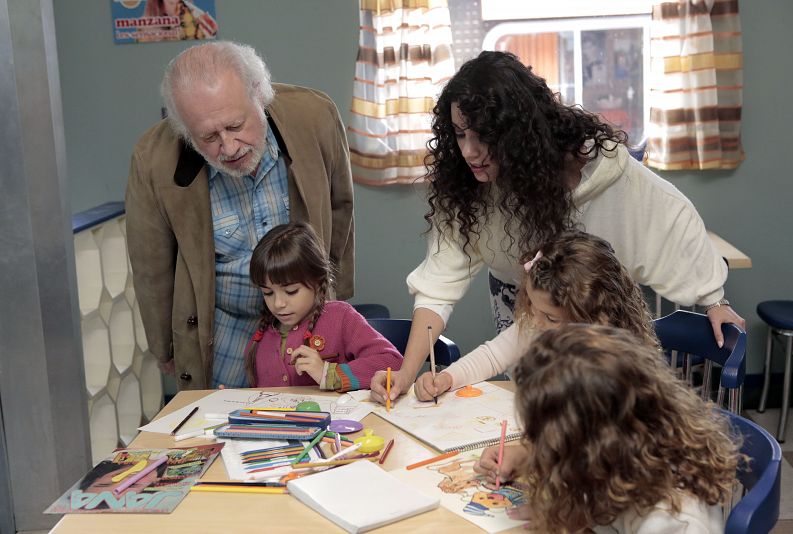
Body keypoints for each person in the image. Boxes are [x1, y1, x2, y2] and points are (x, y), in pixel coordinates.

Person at [371, 50, 744, 402]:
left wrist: (714, 298)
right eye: (459, 133)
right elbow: (449, 298)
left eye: (482, 134)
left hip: (594, 328)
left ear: (519, 134)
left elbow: (669, 216)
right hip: (527, 297)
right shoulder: (530, 307)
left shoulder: (610, 180)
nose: (468, 151)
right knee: (535, 394)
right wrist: (408, 373)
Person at [126, 41, 354, 390]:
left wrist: (335, 298)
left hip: (308, 316)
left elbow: (341, 207)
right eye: (208, 137)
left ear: (259, 96)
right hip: (223, 327)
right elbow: (150, 264)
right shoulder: (152, 159)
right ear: (185, 130)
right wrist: (165, 345)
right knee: (222, 434)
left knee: (314, 419)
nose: (229, 148)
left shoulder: (315, 117)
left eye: (235, 126)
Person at [476, 324, 740, 532]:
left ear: (589, 442)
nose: (534, 443)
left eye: (542, 436)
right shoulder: (625, 454)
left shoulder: (675, 523)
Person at [414, 231, 658, 401]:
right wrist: (447, 378)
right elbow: (492, 355)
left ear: (595, 320)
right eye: (532, 306)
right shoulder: (539, 322)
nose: (537, 323)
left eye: (551, 319)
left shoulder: (618, 369)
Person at [244, 222, 402, 390]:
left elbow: (393, 362)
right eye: (268, 293)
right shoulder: (260, 340)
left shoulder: (341, 317)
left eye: (291, 291)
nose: (278, 304)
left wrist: (331, 374)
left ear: (318, 281)